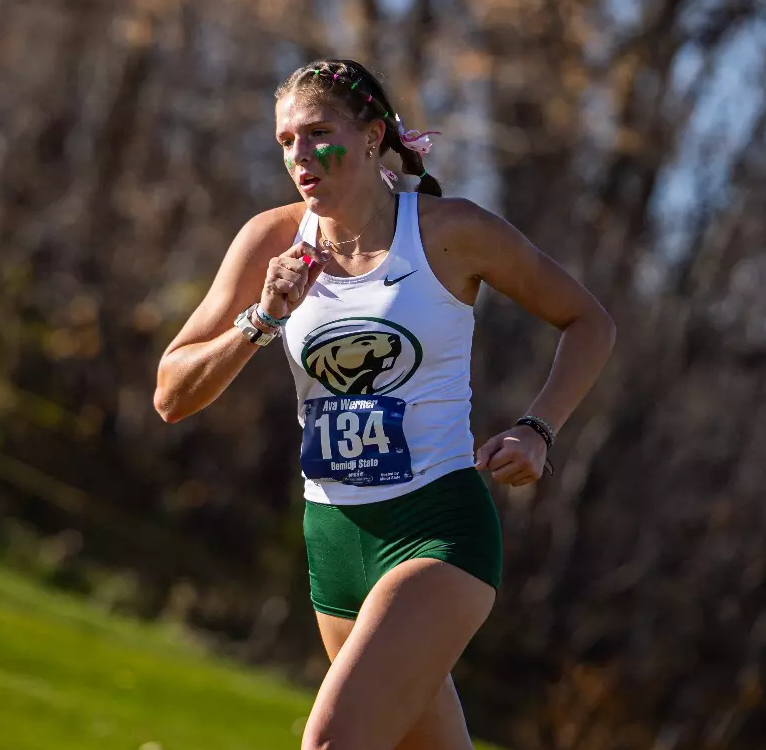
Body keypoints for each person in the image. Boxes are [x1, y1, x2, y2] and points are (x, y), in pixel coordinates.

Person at [153, 58, 615, 750]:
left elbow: (589, 322)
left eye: (317, 134)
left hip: (436, 528)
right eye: (285, 142)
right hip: (333, 538)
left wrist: (537, 428)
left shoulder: (450, 231)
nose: (299, 157)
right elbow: (171, 394)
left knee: (331, 743)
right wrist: (263, 317)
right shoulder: (269, 242)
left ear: (372, 137)